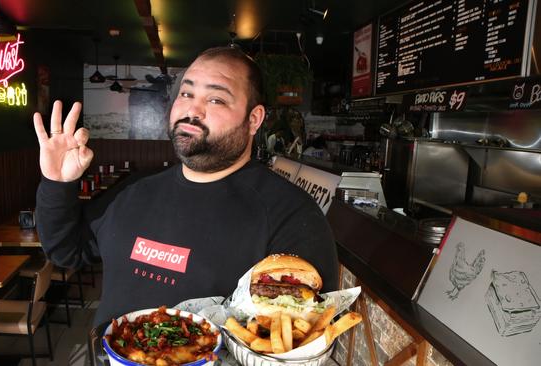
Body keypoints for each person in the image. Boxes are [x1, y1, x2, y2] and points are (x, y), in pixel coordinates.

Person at [33, 47, 339, 327]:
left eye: (216, 99)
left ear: (254, 119)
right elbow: (65, 251)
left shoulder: (292, 216)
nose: (193, 110)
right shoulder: (135, 190)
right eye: (186, 93)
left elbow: (303, 339)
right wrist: (58, 184)